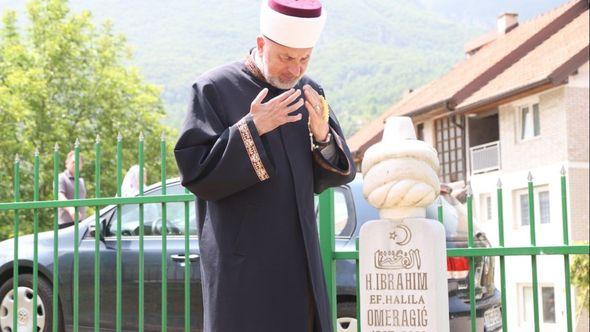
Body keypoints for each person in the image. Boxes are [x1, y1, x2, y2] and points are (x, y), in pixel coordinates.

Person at [174, 1, 355, 331]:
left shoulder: (310, 92)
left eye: (304, 58)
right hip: (243, 272)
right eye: (286, 57)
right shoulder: (213, 89)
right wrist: (252, 129)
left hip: (300, 264)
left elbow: (332, 174)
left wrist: (322, 135)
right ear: (261, 45)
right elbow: (196, 173)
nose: (295, 69)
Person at [57, 151, 86, 227]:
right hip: (65, 223)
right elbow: (60, 196)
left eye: (78, 163)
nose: (76, 164)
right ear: (67, 164)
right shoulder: (61, 178)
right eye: (73, 162)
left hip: (81, 222)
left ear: (82, 166)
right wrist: (71, 209)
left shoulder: (81, 181)